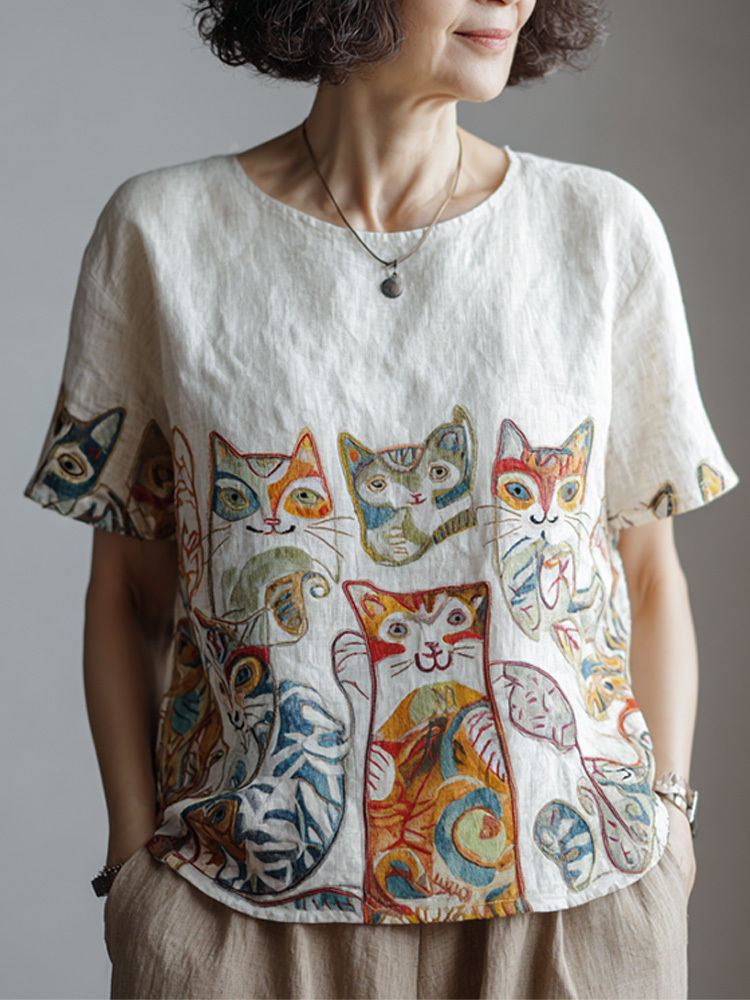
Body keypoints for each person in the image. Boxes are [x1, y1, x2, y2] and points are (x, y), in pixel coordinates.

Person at [23, 0, 740, 997]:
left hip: (575, 905)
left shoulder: (603, 230)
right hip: (237, 912)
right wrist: (133, 868)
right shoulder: (161, 235)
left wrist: (669, 834)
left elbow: (650, 576)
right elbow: (128, 592)